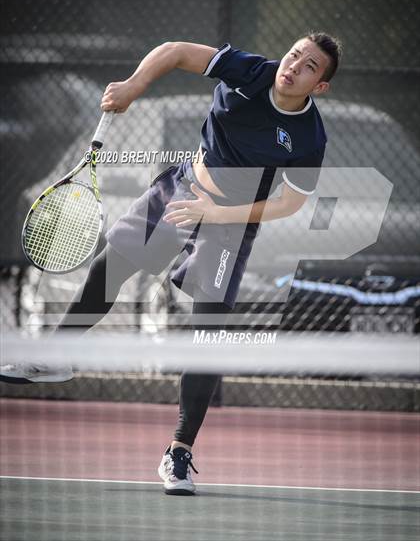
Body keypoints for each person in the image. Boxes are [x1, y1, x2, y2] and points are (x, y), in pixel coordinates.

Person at [1, 33, 342, 495]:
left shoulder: (307, 136)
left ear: (318, 86)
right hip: (180, 191)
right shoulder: (251, 71)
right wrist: (134, 85)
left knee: (207, 334)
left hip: (229, 222)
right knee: (110, 267)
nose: (294, 65)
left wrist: (218, 214)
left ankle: (179, 452)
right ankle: (57, 356)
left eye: (308, 67)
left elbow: (290, 203)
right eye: (295, 54)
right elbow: (177, 52)